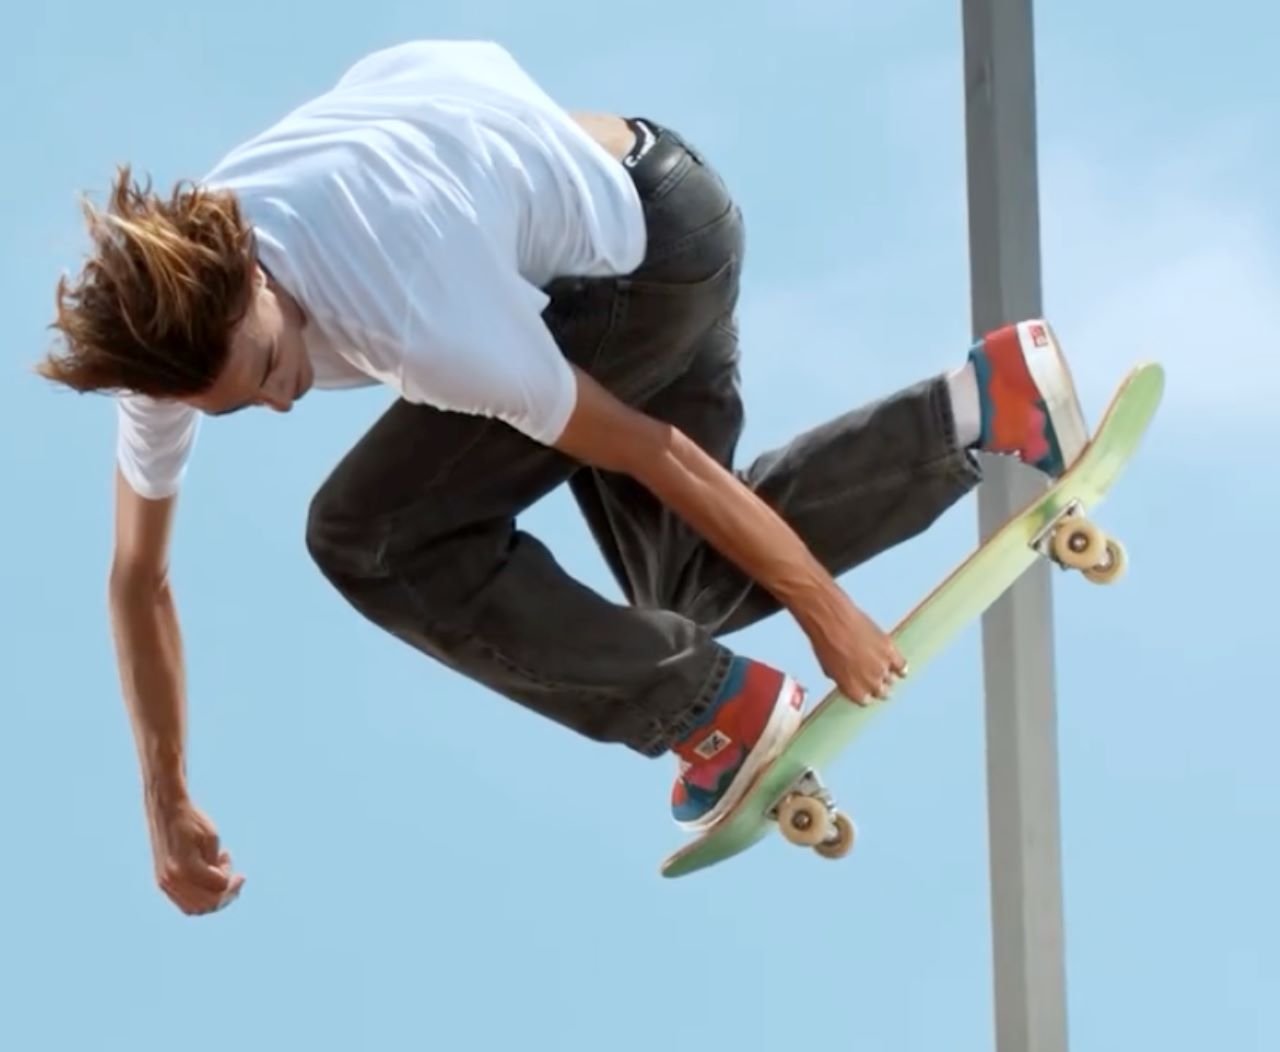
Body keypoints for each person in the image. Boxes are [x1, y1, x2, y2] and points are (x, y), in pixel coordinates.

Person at [38, 39, 1090, 917]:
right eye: (242, 405)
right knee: (683, 589)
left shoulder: (410, 302)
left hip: (639, 268)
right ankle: (982, 403)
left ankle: (708, 710)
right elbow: (138, 577)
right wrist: (164, 797)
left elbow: (646, 449)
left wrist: (827, 612)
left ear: (257, 274)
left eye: (271, 367)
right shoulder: (174, 330)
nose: (279, 401)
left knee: (364, 534)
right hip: (639, 189)